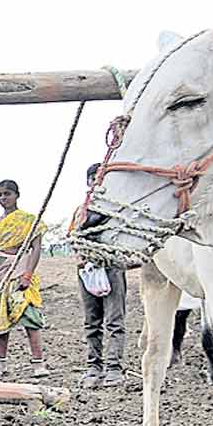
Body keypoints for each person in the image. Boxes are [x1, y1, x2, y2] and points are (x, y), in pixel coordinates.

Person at [0, 179, 49, 379]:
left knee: (30, 317)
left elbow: (36, 248)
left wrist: (27, 274)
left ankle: (38, 364)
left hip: (21, 269)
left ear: (16, 195)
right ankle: (1, 364)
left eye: (7, 194)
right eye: (0, 195)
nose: (4, 198)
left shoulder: (29, 220)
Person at [72, 163, 128, 387]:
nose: (98, 182)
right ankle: (93, 367)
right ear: (88, 182)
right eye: (94, 178)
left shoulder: (118, 209)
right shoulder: (82, 210)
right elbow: (74, 238)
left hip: (112, 267)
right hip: (87, 269)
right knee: (91, 321)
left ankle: (114, 368)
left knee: (115, 320)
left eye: (102, 178)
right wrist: (82, 258)